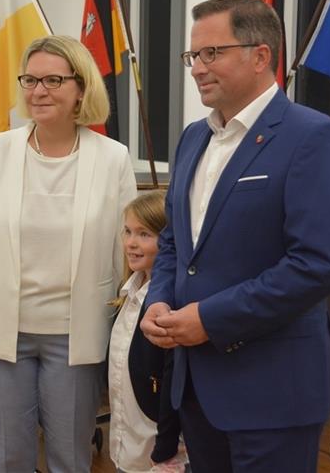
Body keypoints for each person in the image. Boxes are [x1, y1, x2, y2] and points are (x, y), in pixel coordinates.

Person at [140, 0, 330, 473]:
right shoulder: (194, 137)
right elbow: (176, 242)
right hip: (196, 386)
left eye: (211, 53)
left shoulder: (312, 138)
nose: (197, 67)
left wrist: (211, 319)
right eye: (192, 55)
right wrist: (158, 299)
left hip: (273, 390)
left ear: (260, 56)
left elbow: (318, 265)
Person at [0, 34, 137, 472]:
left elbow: (127, 252)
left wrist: (131, 327)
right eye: (31, 80)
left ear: (81, 88)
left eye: (53, 80)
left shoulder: (112, 158)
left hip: (77, 334)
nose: (39, 91)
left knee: (69, 459)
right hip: (4, 335)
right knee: (8, 458)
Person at [109, 191, 188, 473]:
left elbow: (171, 383)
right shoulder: (128, 294)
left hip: (159, 452)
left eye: (144, 234)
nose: (131, 243)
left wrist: (165, 449)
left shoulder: (169, 305)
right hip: (127, 444)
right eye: (128, 231)